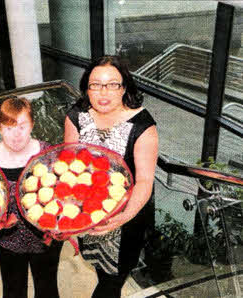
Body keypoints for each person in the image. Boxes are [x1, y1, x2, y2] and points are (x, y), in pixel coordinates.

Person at [64, 55, 158, 297]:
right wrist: (71, 219)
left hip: (127, 220)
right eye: (95, 84)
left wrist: (123, 217)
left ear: (124, 87)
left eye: (112, 84)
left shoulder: (142, 124)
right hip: (88, 214)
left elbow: (145, 180)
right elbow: (68, 170)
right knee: (98, 268)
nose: (103, 92)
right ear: (86, 87)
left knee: (111, 282)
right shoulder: (76, 116)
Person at [0, 97, 63, 298]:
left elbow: (64, 194)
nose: (16, 135)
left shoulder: (48, 153)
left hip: (45, 239)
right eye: (8, 128)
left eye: (22, 126)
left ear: (32, 125)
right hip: (8, 242)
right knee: (13, 291)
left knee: (47, 290)